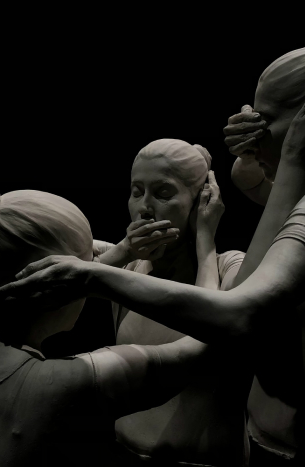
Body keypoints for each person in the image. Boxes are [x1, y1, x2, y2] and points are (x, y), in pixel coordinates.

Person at [0, 35, 305, 466]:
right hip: (283, 444)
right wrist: (256, 154)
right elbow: (256, 183)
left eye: (265, 123)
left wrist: (94, 277)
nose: (144, 206)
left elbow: (240, 313)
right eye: (136, 191)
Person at [0, 183, 227, 467]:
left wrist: (121, 253)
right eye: (87, 267)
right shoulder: (66, 383)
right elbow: (203, 339)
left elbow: (4, 300)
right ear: (66, 283)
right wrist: (206, 241)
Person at [91, 139, 249, 466]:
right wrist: (123, 251)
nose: (145, 208)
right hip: (123, 452)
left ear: (202, 201)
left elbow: (207, 323)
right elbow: (62, 280)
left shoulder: (231, 268)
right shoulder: (127, 266)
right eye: (137, 192)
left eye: (163, 193)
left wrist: (205, 241)